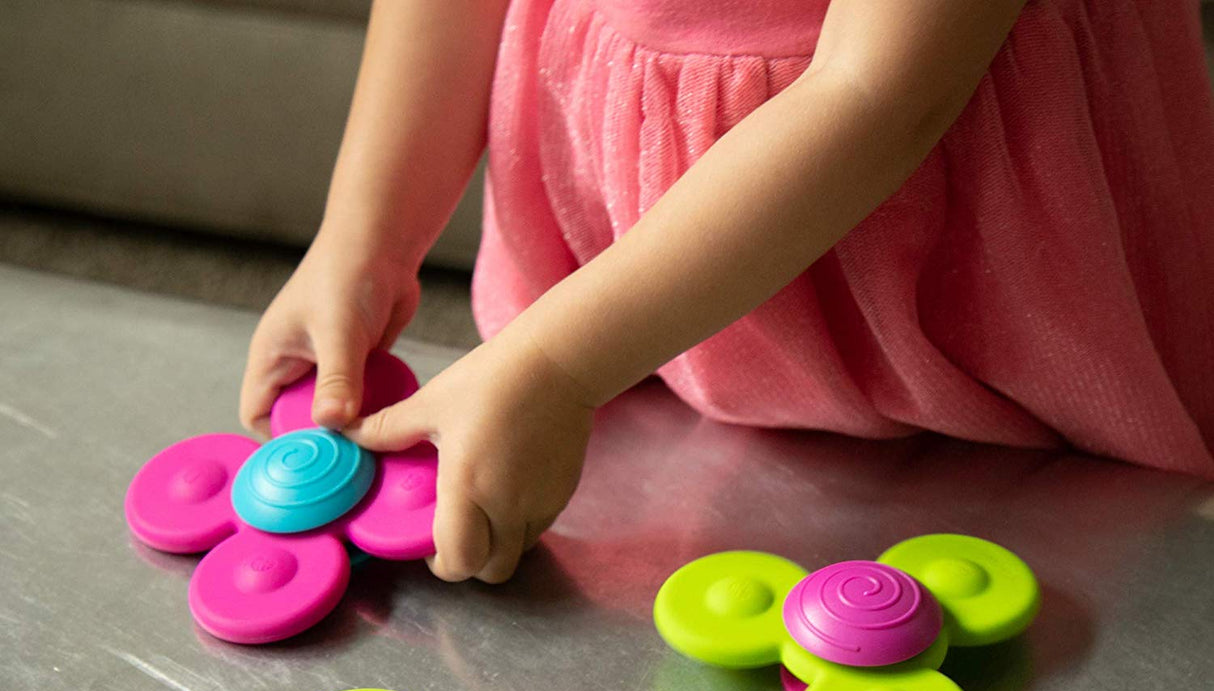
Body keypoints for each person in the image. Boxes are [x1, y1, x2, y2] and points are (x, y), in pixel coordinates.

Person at [240, 0, 1214, 583]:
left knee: (1090, 562)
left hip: (955, 242)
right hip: (644, 230)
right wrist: (363, 237)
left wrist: (561, 362)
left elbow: (880, 89)